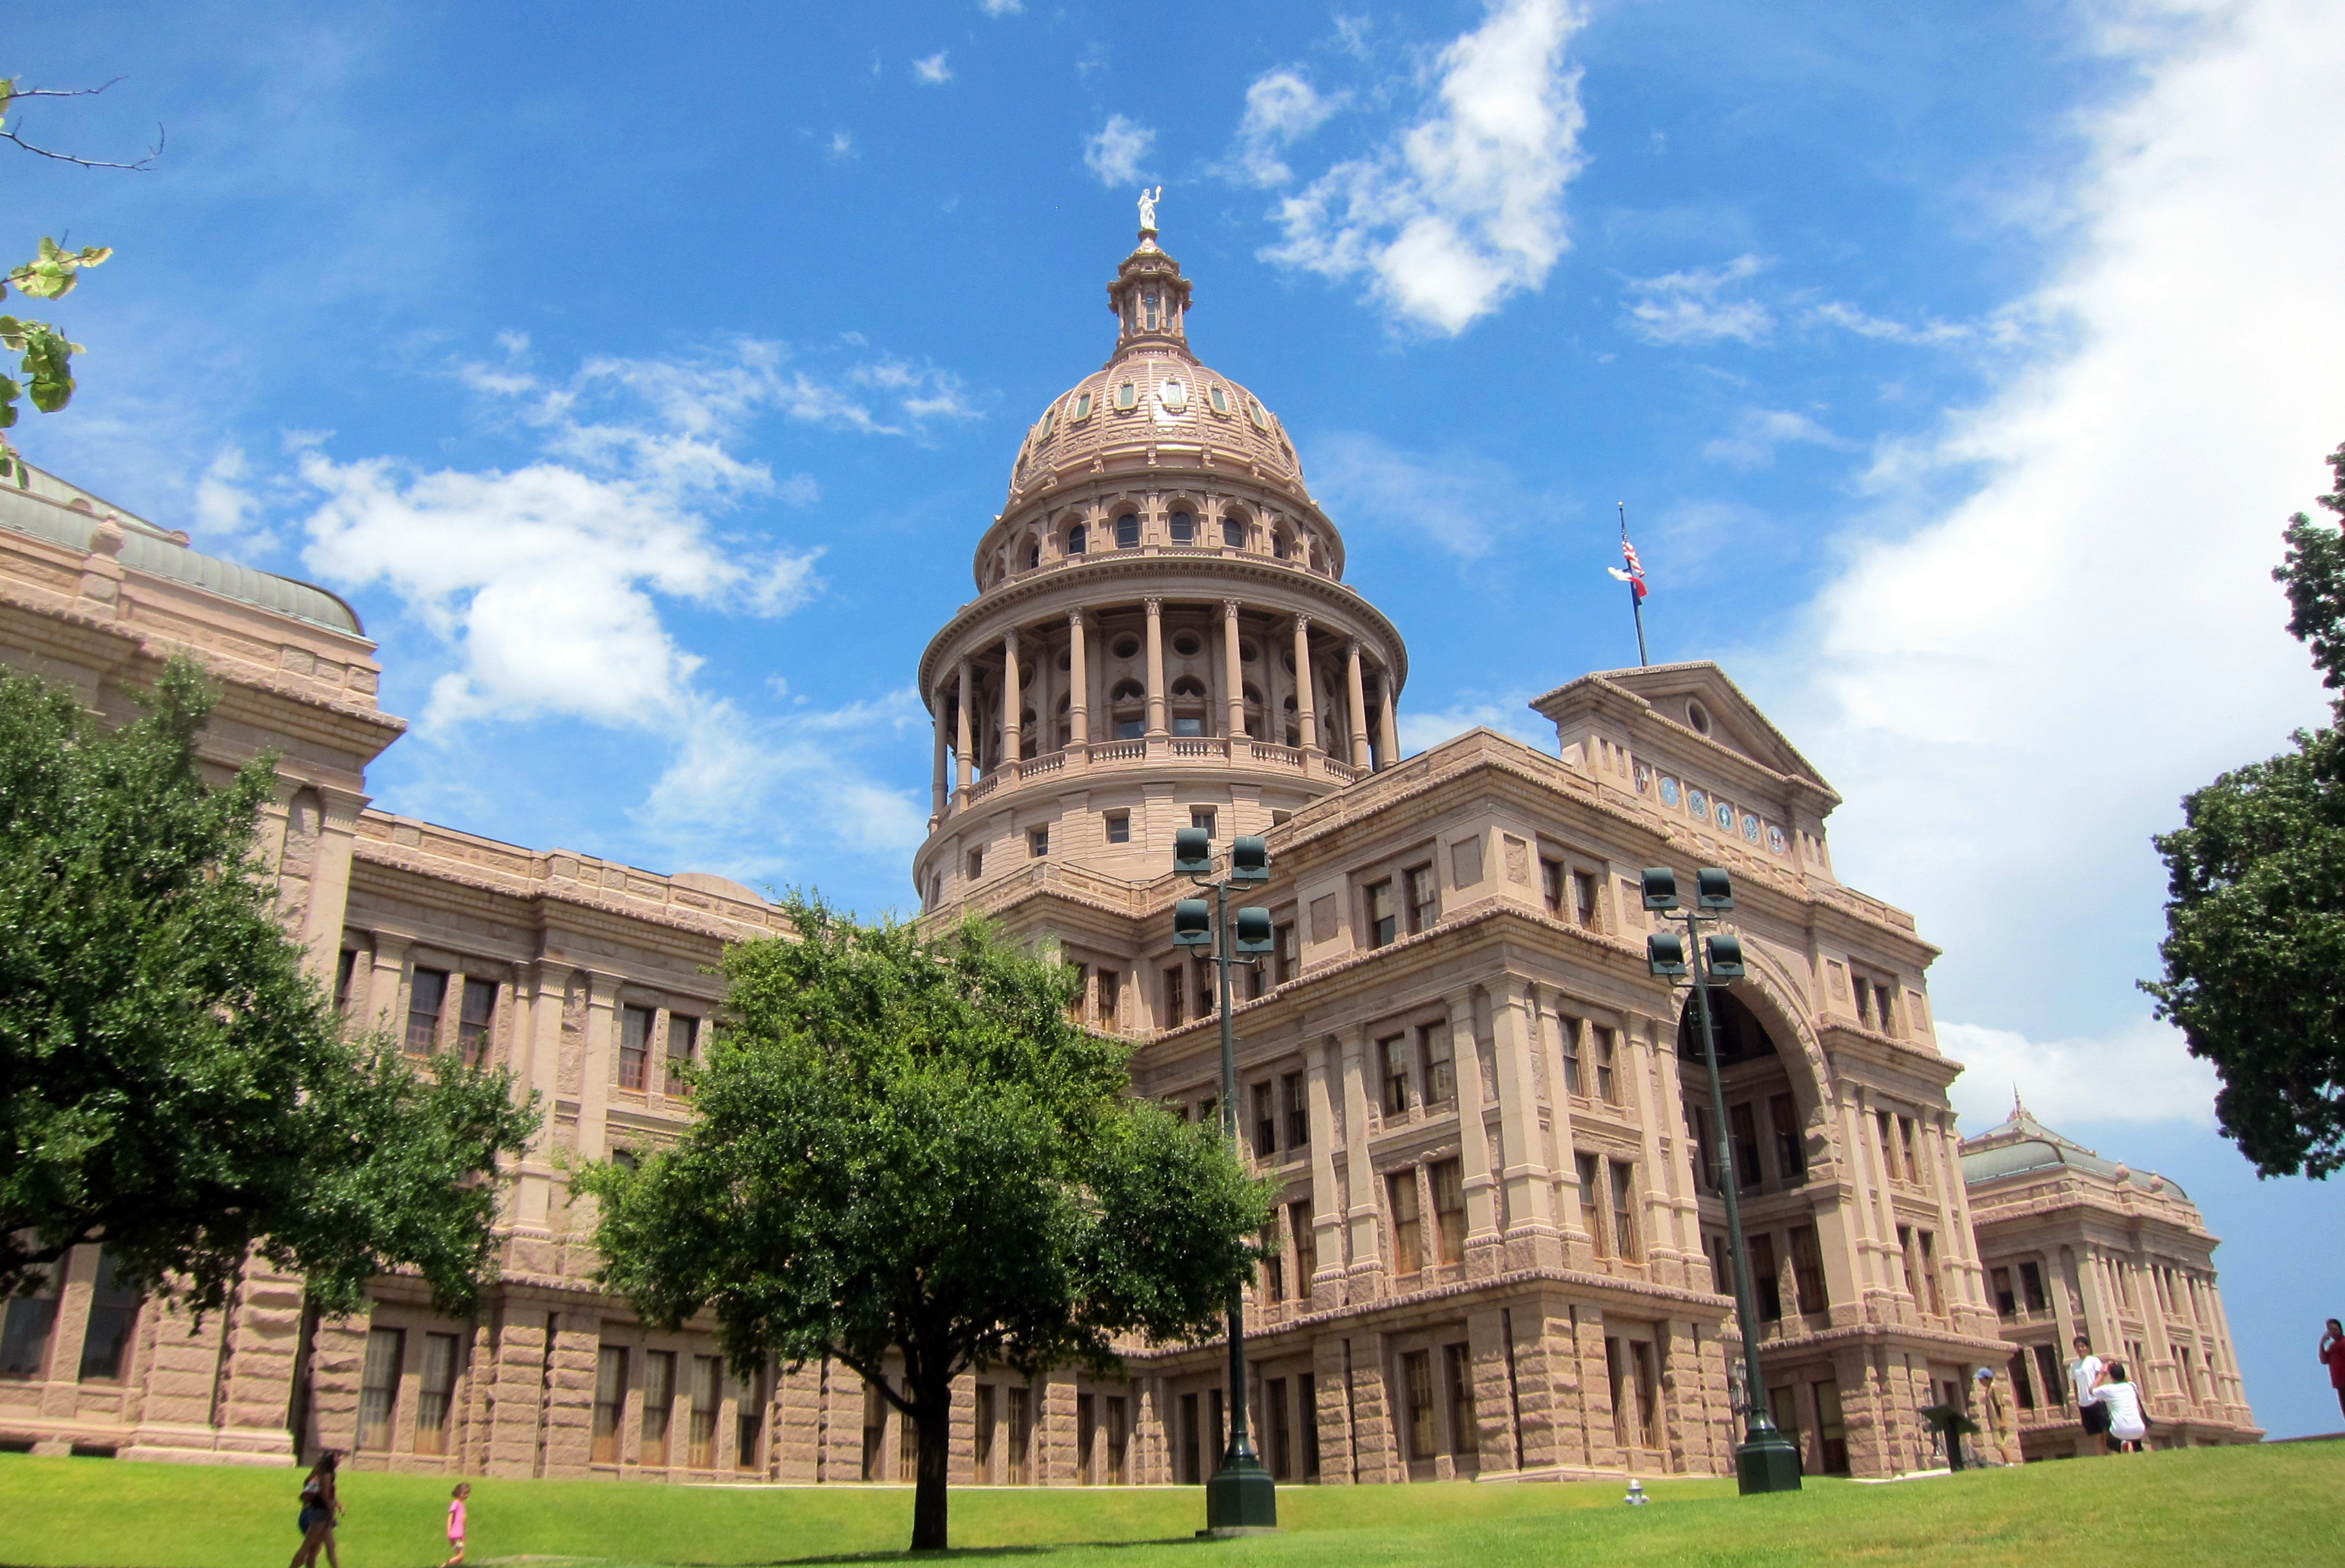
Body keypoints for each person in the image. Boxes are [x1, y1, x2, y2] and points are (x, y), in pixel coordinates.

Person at [289, 1450, 342, 1568]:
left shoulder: (321, 1473)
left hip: (319, 1513)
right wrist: (331, 1509)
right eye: (337, 1458)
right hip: (320, 1514)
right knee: (309, 1547)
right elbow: (324, 1496)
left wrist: (337, 1504)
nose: (339, 1460)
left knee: (328, 1546)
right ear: (330, 1460)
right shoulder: (326, 1475)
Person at [2091, 1360, 2148, 1453]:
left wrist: (2101, 1375)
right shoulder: (2132, 1386)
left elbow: (2091, 1390)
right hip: (2139, 1430)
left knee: (2110, 1443)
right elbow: (2127, 1380)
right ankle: (2136, 1449)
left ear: (2111, 1377)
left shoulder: (2108, 1389)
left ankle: (2121, 1444)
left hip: (2119, 1431)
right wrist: (2117, 1367)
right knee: (2133, 1433)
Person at [2067, 1335, 2108, 1451]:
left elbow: (2100, 1377)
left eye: (2082, 1346)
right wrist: (2077, 1400)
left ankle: (2111, 1453)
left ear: (2087, 1348)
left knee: (2105, 1430)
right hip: (2084, 1403)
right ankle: (2101, 1455)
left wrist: (2098, 1393)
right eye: (2078, 1347)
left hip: (2096, 1400)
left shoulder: (2094, 1361)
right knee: (2095, 1433)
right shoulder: (2074, 1366)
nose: (2080, 1349)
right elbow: (2075, 1384)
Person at [1974, 1367, 2021, 1466]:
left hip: (1997, 1421)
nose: (1980, 1382)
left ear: (1987, 1378)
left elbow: (2001, 1405)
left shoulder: (1995, 1389)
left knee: (1999, 1443)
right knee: (1999, 1444)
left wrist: (2003, 1421)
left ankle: (2010, 1463)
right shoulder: (1989, 1390)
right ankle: (2007, 1463)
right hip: (1993, 1421)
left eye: (1981, 1380)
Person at [441, 1481, 471, 1567]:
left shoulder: (461, 1505)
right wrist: (449, 1531)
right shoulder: (456, 1503)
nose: (467, 1495)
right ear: (459, 1493)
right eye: (465, 1493)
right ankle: (444, 1566)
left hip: (460, 1535)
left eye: (468, 1493)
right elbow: (450, 1517)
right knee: (461, 1556)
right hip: (456, 1534)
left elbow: (463, 1522)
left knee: (460, 1558)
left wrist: (464, 1534)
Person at [2321, 1319, 2345, 1420]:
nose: (2333, 1332)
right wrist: (2322, 1344)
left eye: (2335, 1329)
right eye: (2330, 1330)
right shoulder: (2332, 1347)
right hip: (2339, 1383)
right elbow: (2324, 1360)